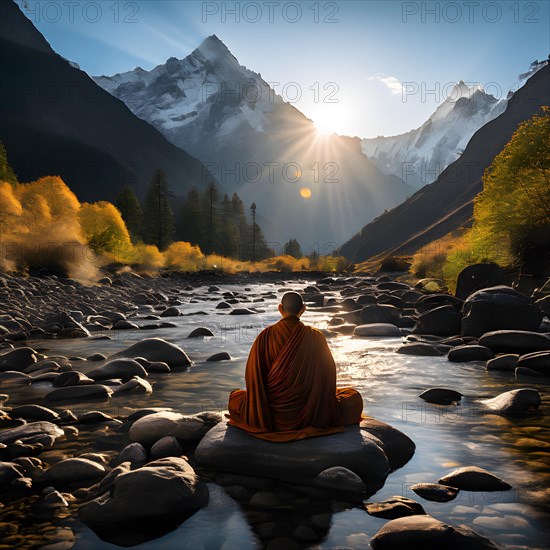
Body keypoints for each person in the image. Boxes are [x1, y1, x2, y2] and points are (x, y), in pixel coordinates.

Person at [227, 291, 364, 441]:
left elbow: (254, 379)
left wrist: (260, 408)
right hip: (310, 414)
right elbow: (328, 379)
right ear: (303, 309)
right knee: (353, 398)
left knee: (235, 397)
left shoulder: (264, 337)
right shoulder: (316, 337)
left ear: (280, 308)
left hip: (270, 415)